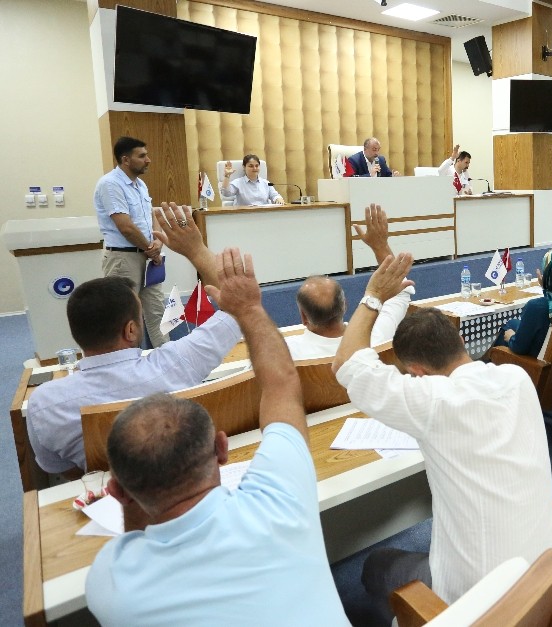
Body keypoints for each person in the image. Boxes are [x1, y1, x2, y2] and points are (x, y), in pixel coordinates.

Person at [86, 247, 349, 626]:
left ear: (117, 490)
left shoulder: (110, 579)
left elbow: (133, 535)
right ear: (221, 449)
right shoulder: (280, 497)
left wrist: (130, 496)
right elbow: (282, 384)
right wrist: (250, 308)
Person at [332, 261, 552, 623]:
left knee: (377, 565)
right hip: (546, 578)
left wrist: (373, 295)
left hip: (479, 604)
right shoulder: (516, 379)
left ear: (417, 373)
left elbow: (346, 362)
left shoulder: (434, 401)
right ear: (461, 343)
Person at [26, 204, 241, 475]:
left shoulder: (45, 403)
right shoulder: (175, 363)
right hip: (186, 478)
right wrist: (196, 250)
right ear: (130, 330)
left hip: (110, 494)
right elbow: (240, 307)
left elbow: (58, 469)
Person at [286, 205, 413, 360]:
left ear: (303, 317)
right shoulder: (375, 336)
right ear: (344, 305)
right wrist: (380, 247)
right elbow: (400, 291)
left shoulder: (287, 351)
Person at [94, 136, 169, 347]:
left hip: (148, 257)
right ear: (125, 160)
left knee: (157, 312)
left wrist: (157, 240)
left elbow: (151, 215)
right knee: (124, 317)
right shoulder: (110, 184)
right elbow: (125, 226)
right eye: (142, 156)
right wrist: (151, 249)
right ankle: (127, 362)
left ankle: (167, 357)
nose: (148, 160)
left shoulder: (140, 184)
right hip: (123, 259)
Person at [494, 247, 552, 357]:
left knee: (508, 327)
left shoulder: (536, 307)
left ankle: (486, 362)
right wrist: (546, 288)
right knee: (513, 323)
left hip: (536, 362)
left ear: (549, 275)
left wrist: (511, 337)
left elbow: (519, 348)